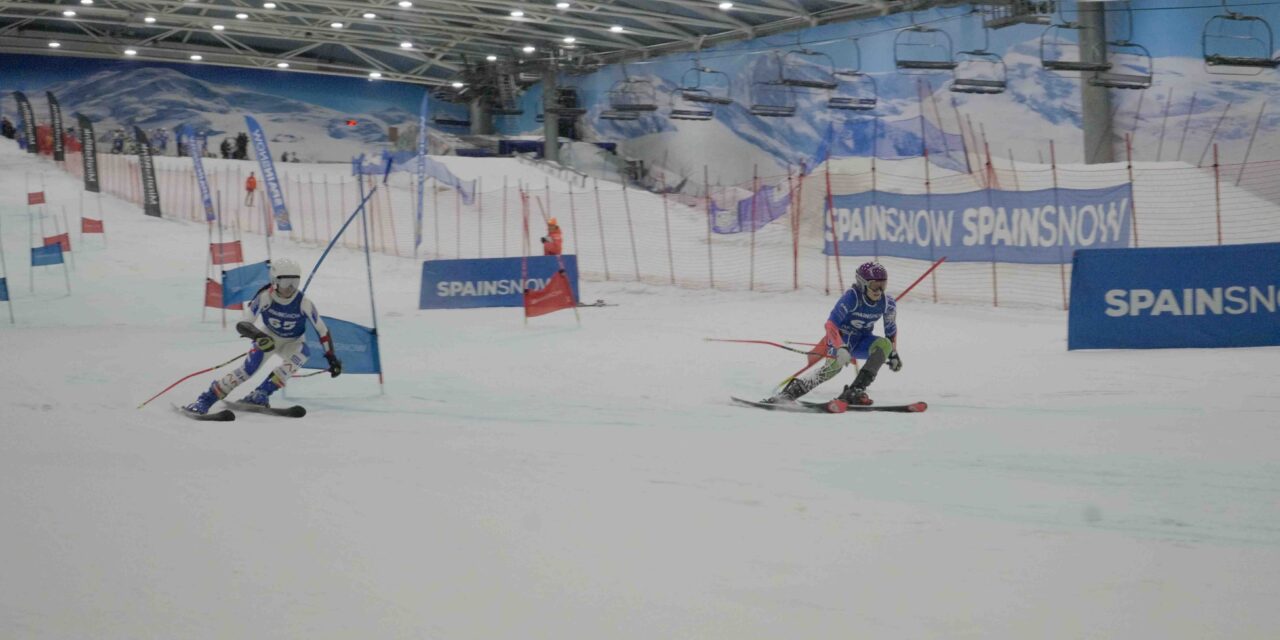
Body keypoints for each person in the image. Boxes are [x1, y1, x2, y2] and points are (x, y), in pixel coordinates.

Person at [184, 259, 343, 414]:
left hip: (293, 341)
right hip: (269, 338)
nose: (290, 288)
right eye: (285, 282)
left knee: (303, 354)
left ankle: (261, 394)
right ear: (274, 281)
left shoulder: (304, 302)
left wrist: (331, 357)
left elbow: (322, 330)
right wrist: (259, 336)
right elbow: (243, 324)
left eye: (294, 282)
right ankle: (205, 400)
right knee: (247, 370)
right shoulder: (265, 296)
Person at [764, 261, 902, 407]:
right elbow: (830, 325)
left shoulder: (888, 303)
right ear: (862, 284)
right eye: (875, 285)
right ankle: (789, 393)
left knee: (885, 345)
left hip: (862, 341)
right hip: (841, 339)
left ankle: (855, 390)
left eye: (883, 285)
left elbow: (890, 330)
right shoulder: (852, 297)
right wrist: (840, 346)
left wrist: (893, 353)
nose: (879, 291)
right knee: (831, 370)